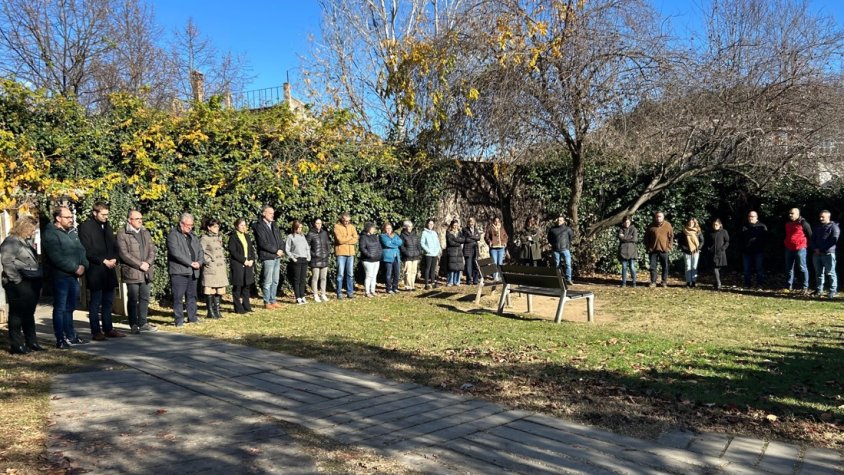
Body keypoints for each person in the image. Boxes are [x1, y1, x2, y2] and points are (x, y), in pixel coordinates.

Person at [42, 206, 88, 348]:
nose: (71, 219)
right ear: (58, 218)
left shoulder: (72, 233)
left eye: (71, 217)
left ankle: (71, 335)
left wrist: (83, 265)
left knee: (70, 307)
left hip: (73, 277)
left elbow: (81, 250)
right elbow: (56, 257)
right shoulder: (51, 233)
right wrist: (75, 268)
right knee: (61, 308)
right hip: (60, 277)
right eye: (67, 217)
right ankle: (60, 338)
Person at [78, 202, 124, 341]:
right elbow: (86, 248)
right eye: (103, 214)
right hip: (96, 270)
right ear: (95, 213)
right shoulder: (85, 227)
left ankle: (108, 328)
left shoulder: (107, 227)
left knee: (108, 301)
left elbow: (114, 246)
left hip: (109, 270)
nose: (106, 217)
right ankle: (96, 331)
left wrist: (115, 259)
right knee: (95, 301)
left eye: (107, 214)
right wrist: (103, 260)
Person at [1, 215, 44, 353]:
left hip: (30, 281)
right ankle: (16, 344)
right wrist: (17, 280)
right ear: (24, 227)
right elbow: (7, 262)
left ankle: (31, 342)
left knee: (28, 313)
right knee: (17, 314)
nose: (33, 232)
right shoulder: (11, 241)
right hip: (17, 282)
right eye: (32, 229)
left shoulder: (24, 242)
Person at [117, 210, 157, 333]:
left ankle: (143, 322)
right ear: (129, 220)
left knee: (145, 298)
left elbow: (152, 250)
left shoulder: (145, 232)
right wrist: (140, 264)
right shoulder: (122, 233)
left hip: (146, 271)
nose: (140, 220)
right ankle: (133, 324)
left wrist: (148, 263)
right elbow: (124, 254)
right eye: (137, 218)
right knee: (133, 298)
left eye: (141, 218)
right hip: (132, 271)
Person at [167, 213, 204, 326]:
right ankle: (179, 320)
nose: (190, 227)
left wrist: (199, 262)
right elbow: (175, 253)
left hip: (193, 271)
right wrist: (190, 263)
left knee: (192, 296)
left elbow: (200, 251)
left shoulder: (193, 236)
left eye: (191, 225)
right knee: (178, 296)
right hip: (179, 271)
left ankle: (192, 317)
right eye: (188, 225)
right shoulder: (173, 235)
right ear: (181, 223)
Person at [253, 205, 284, 308]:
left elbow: (280, 239)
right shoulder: (259, 226)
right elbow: (263, 243)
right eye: (270, 213)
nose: (272, 215)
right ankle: (267, 301)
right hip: (267, 256)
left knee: (275, 280)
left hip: (277, 256)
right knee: (268, 280)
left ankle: (273, 299)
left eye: (273, 213)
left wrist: (281, 249)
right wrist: (276, 250)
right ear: (263, 213)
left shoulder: (274, 225)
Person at [200, 218, 229, 318]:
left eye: (218, 226)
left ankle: (217, 310)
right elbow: (201, 252)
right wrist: (208, 261)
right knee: (210, 289)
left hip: (220, 269)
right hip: (211, 268)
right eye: (215, 226)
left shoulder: (219, 238)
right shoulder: (204, 238)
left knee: (219, 289)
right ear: (209, 227)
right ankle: (210, 312)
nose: (217, 228)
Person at [228, 218, 256, 314]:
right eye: (241, 225)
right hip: (238, 265)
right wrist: (244, 260)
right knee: (238, 287)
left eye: (245, 225)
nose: (243, 227)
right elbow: (233, 251)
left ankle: (246, 306)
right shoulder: (233, 237)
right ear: (236, 226)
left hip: (248, 264)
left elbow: (251, 249)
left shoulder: (247, 236)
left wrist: (252, 259)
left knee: (247, 286)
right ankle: (238, 308)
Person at [810, 210, 839, 298]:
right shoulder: (817, 227)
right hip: (817, 254)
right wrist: (815, 248)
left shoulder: (834, 227)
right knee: (818, 273)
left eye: (823, 217)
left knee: (830, 273)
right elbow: (812, 239)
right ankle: (819, 290)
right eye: (820, 216)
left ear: (828, 217)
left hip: (828, 254)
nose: (821, 218)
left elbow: (833, 241)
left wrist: (821, 249)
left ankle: (833, 290)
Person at [784, 207, 812, 293]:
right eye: (789, 213)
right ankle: (789, 286)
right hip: (789, 248)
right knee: (789, 268)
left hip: (800, 248)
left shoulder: (804, 223)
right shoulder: (788, 223)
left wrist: (806, 246)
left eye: (792, 213)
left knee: (802, 267)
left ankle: (805, 287)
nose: (790, 215)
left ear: (797, 214)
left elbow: (810, 235)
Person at [644, 211, 673, 288]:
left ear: (663, 217)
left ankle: (664, 282)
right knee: (653, 267)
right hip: (653, 250)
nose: (658, 218)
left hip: (664, 250)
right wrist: (648, 247)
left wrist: (668, 247)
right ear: (655, 217)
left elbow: (671, 237)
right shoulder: (651, 226)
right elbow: (646, 237)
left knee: (665, 267)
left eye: (660, 216)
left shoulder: (668, 225)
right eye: (657, 216)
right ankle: (653, 282)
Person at [285, 220, 311, 304]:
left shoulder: (303, 236)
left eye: (301, 227)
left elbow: (307, 247)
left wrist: (308, 256)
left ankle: (302, 296)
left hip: (304, 259)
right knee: (297, 279)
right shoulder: (290, 237)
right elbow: (287, 249)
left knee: (303, 279)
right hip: (297, 259)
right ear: (295, 227)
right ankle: (298, 297)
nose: (300, 229)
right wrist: (293, 258)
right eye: (299, 227)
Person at [334, 213, 359, 299]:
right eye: (345, 221)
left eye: (348, 221)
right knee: (340, 274)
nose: (347, 223)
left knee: (350, 274)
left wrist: (347, 239)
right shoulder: (337, 227)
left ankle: (350, 292)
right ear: (341, 219)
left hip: (350, 253)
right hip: (341, 253)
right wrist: (350, 237)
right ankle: (339, 293)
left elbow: (356, 239)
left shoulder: (352, 227)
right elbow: (340, 240)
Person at [740, 211, 768, 288]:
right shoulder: (744, 226)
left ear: (756, 217)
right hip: (746, 252)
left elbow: (766, 239)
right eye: (749, 216)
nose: (750, 218)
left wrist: (762, 248)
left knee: (759, 269)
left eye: (752, 216)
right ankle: (747, 284)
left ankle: (760, 284)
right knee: (746, 270)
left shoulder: (762, 226)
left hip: (758, 251)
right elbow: (741, 239)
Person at [306, 218, 331, 302]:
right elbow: (307, 246)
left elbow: (328, 244)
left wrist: (327, 253)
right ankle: (315, 294)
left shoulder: (324, 233)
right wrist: (313, 254)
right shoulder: (310, 234)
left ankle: (323, 294)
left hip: (324, 258)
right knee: (315, 277)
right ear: (314, 224)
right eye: (317, 223)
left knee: (323, 277)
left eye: (320, 223)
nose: (319, 225)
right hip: (315, 259)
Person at [548, 216, 574, 285]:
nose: (559, 221)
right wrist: (553, 245)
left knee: (568, 264)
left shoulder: (567, 229)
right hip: (555, 250)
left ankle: (568, 279)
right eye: (558, 220)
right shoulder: (552, 229)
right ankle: (559, 279)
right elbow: (549, 239)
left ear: (563, 221)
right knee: (557, 265)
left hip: (565, 249)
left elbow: (571, 237)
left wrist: (567, 245)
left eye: (560, 220)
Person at [678, 217, 704, 288]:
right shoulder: (684, 231)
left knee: (694, 267)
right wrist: (685, 248)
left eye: (692, 222)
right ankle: (688, 282)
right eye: (690, 222)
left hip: (696, 251)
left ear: (695, 223)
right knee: (688, 266)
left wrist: (698, 248)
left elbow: (702, 241)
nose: (691, 223)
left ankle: (694, 282)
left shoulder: (698, 231)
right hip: (687, 251)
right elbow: (680, 242)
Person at [359, 222, 383, 297]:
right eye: (372, 228)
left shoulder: (375, 236)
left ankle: (373, 290)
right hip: (367, 260)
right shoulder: (363, 237)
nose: (374, 229)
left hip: (376, 259)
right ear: (368, 228)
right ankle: (367, 292)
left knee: (374, 276)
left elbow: (379, 246)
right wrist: (369, 255)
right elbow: (362, 248)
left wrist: (379, 254)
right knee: (369, 275)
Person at [380, 222, 403, 294]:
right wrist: (394, 243)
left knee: (397, 273)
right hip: (388, 257)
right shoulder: (382, 236)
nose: (388, 230)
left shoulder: (395, 235)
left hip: (396, 256)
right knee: (388, 274)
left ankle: (395, 287)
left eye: (390, 228)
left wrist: (392, 241)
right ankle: (388, 288)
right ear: (384, 229)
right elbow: (387, 244)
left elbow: (400, 242)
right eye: (387, 228)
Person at [399, 220, 422, 290]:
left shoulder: (415, 234)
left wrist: (419, 251)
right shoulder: (402, 235)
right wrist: (406, 252)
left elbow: (418, 244)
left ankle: (412, 285)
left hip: (415, 255)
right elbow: (401, 246)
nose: (410, 228)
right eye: (408, 226)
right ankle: (408, 286)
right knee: (408, 272)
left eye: (411, 226)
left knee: (414, 271)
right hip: (407, 256)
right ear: (405, 227)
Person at [484, 216, 509, 280]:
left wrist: (505, 242)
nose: (496, 222)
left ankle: (499, 275)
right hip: (493, 248)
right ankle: (495, 276)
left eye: (498, 221)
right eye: (495, 221)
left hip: (501, 248)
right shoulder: (490, 228)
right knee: (494, 262)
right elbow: (486, 237)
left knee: (500, 263)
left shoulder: (501, 228)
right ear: (493, 221)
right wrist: (489, 242)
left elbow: (506, 236)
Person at [708, 219, 730, 290]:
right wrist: (709, 249)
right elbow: (708, 242)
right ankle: (718, 283)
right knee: (715, 268)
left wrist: (723, 248)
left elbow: (727, 241)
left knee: (719, 268)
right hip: (713, 254)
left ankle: (716, 283)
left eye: (716, 225)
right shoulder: (711, 233)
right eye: (714, 225)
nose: (715, 226)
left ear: (720, 225)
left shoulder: (724, 232)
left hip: (721, 253)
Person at [617, 216, 638, 287]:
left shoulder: (634, 229)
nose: (626, 223)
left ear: (630, 222)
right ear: (623, 222)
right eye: (625, 222)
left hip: (632, 251)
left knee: (632, 267)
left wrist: (624, 238)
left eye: (628, 222)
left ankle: (634, 283)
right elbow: (620, 238)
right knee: (624, 267)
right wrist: (629, 237)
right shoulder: (621, 229)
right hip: (623, 251)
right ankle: (623, 283)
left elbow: (635, 239)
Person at [420, 219, 440, 289]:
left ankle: (433, 282)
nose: (431, 225)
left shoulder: (434, 233)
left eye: (432, 224)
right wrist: (428, 251)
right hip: (428, 254)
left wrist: (437, 250)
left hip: (435, 254)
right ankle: (426, 284)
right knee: (427, 268)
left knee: (433, 269)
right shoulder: (424, 233)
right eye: (430, 224)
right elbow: (422, 243)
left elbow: (438, 243)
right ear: (427, 224)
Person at [461, 217, 482, 285]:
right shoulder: (465, 229)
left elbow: (478, 238)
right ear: (468, 223)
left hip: (475, 250)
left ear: (474, 223)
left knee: (475, 265)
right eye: (470, 222)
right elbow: (466, 239)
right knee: (468, 266)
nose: (471, 223)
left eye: (472, 222)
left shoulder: (476, 230)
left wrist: (471, 237)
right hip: (468, 250)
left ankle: (475, 280)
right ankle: (469, 280)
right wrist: (474, 238)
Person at [445, 219, 465, 286]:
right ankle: (450, 281)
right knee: (451, 267)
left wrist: (456, 240)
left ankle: (457, 281)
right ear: (451, 225)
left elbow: (463, 240)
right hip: (451, 252)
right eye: (454, 225)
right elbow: (450, 242)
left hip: (459, 252)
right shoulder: (448, 232)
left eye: (456, 225)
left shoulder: (460, 232)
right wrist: (458, 242)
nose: (455, 226)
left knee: (458, 267)